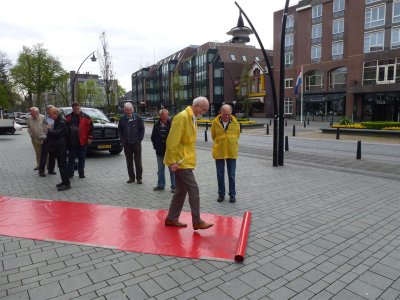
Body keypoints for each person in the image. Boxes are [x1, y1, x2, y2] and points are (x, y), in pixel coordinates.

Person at [163, 96, 214, 230]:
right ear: (196, 106)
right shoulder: (182, 117)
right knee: (193, 188)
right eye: (203, 109)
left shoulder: (191, 118)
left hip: (184, 161)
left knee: (181, 191)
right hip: (180, 162)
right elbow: (171, 141)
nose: (204, 112)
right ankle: (197, 221)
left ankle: (171, 218)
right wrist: (172, 161)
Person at [211, 104, 240, 203]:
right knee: (220, 175)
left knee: (231, 175)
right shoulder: (215, 123)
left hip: (231, 151)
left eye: (228, 114)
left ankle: (232, 195)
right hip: (219, 151)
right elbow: (213, 135)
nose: (226, 116)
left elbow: (237, 135)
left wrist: (231, 143)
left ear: (231, 112)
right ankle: (221, 194)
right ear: (221, 112)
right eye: (224, 114)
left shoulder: (235, 123)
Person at [118, 102, 145, 184]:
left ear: (132, 109)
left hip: (136, 144)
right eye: (126, 110)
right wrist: (123, 140)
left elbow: (142, 129)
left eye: (130, 110)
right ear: (124, 110)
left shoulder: (137, 118)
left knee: (138, 162)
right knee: (129, 162)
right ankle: (131, 178)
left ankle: (139, 178)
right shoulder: (122, 119)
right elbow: (120, 130)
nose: (128, 112)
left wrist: (139, 139)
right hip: (127, 144)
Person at [65, 102, 93, 179]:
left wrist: (90, 138)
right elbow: (65, 129)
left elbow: (91, 129)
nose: (76, 110)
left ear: (80, 108)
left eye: (78, 108)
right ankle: (70, 173)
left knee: (82, 159)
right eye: (75, 109)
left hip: (83, 141)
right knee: (71, 159)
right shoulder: (68, 117)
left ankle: (81, 173)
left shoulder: (87, 117)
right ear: (72, 109)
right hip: (71, 142)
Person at [151, 109, 176, 193]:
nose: (166, 117)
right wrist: (156, 147)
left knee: (172, 170)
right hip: (160, 152)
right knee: (160, 170)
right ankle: (161, 185)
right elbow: (153, 137)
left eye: (167, 115)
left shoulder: (172, 125)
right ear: (160, 116)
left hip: (170, 152)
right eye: (164, 115)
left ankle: (174, 186)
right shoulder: (156, 125)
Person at [47, 107, 70, 191]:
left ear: (55, 114)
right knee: (61, 165)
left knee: (63, 165)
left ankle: (67, 184)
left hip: (61, 147)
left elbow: (56, 133)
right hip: (58, 146)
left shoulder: (62, 122)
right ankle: (64, 182)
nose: (50, 116)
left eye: (50, 115)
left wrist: (49, 129)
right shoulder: (58, 121)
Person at [38, 105, 56, 177]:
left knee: (53, 155)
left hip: (54, 137)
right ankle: (41, 171)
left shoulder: (55, 117)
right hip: (46, 137)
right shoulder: (43, 118)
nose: (52, 111)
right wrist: (44, 137)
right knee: (44, 155)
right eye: (50, 110)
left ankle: (51, 169)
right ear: (47, 111)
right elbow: (40, 128)